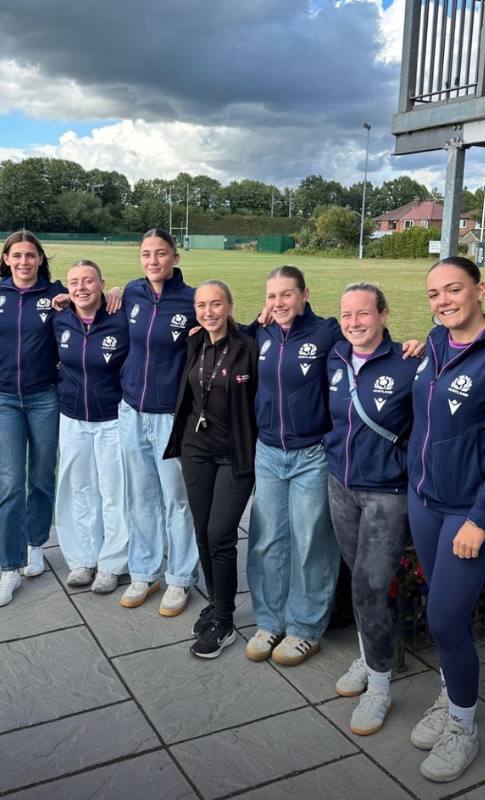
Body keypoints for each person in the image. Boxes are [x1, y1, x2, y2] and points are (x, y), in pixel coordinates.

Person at [407, 256, 485, 782]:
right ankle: (450, 693)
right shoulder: (436, 344)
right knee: (447, 616)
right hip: (425, 502)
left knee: (443, 620)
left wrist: (483, 518)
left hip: (468, 513)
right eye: (435, 293)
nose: (443, 301)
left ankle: (464, 725)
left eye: (453, 290)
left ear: (480, 290)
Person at [324, 283, 418, 735]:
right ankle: (369, 656)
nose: (354, 323)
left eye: (363, 314)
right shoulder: (336, 357)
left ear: (383, 314)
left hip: (387, 493)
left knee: (368, 587)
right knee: (355, 574)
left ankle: (380, 687)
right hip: (340, 484)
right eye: (347, 316)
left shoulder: (409, 362)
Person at [244, 265, 344, 666]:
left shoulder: (326, 332)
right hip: (268, 452)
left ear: (304, 295)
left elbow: (366, 347)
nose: (279, 302)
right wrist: (256, 320)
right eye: (272, 296)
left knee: (310, 542)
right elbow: (230, 340)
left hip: (311, 455)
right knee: (266, 539)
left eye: (287, 294)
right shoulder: (262, 334)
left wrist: (409, 347)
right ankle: (269, 622)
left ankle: (305, 628)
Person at [165, 280, 259, 658]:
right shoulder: (194, 342)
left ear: (230, 305)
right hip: (195, 451)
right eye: (201, 305)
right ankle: (218, 605)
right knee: (203, 532)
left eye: (216, 304)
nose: (208, 312)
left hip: (234, 456)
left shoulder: (249, 348)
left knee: (221, 533)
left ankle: (224, 622)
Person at [0, 231, 66, 607]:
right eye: (17, 255)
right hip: (4, 400)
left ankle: (35, 545)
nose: (24, 261)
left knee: (42, 477)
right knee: (9, 483)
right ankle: (9, 568)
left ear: (41, 259)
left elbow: (94, 296)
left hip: (47, 397)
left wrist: (117, 291)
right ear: (6, 258)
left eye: (31, 255)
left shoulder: (58, 293)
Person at [118, 228, 199, 616]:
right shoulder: (131, 293)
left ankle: (181, 578)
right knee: (141, 497)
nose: (153, 261)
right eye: (147, 254)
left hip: (171, 415)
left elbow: (224, 331)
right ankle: (145, 571)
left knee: (177, 500)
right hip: (131, 410)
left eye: (161, 253)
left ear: (175, 258)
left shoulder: (191, 299)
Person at [53, 260, 130, 594]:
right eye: (74, 282)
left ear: (101, 284)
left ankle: (113, 564)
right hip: (72, 418)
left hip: (113, 419)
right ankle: (83, 559)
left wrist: (120, 291)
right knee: (79, 490)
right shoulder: (59, 320)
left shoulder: (121, 319)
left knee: (115, 492)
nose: (81, 287)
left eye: (88, 281)